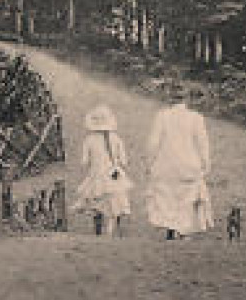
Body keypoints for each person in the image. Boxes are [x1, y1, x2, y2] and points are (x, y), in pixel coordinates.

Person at [145, 100, 214, 239]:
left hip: (165, 164)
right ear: (186, 102)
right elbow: (202, 142)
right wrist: (206, 162)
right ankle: (183, 230)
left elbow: (154, 142)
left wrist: (149, 162)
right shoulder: (196, 117)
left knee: (167, 197)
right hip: (189, 164)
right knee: (186, 198)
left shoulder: (162, 116)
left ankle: (171, 229)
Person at [72, 105, 133, 237]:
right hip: (113, 174)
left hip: (97, 175)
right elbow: (124, 160)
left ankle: (98, 232)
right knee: (116, 201)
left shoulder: (89, 139)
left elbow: (84, 162)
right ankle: (114, 230)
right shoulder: (116, 138)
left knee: (97, 204)